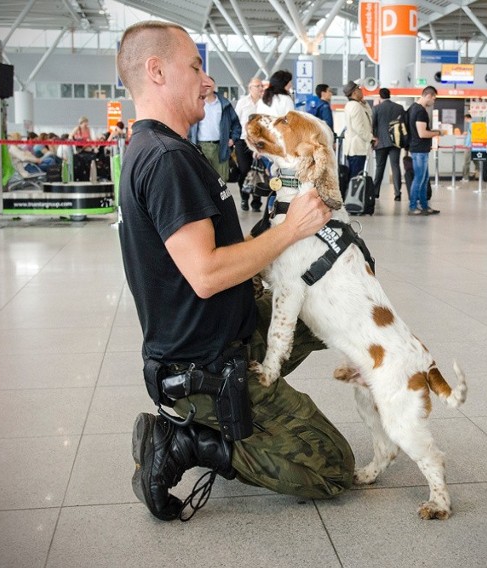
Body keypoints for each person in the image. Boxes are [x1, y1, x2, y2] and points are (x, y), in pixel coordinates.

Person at [115, 21, 354, 522]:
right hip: (203, 366)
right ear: (156, 71)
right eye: (196, 67)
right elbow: (204, 273)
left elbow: (213, 256)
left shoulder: (165, 151)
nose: (208, 82)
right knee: (333, 469)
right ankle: (187, 442)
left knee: (328, 301)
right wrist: (288, 231)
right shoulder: (165, 160)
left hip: (226, 326)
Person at [188, 76, 241, 184]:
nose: (206, 87)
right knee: (201, 179)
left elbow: (236, 124)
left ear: (214, 86)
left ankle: (219, 201)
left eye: (209, 84)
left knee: (220, 180)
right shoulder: (195, 104)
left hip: (220, 147)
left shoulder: (224, 104)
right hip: (200, 147)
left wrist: (233, 139)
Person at [406, 86, 441, 216]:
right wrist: (438, 133)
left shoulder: (412, 108)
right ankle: (413, 206)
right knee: (419, 178)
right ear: (428, 96)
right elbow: (422, 133)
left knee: (424, 178)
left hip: (417, 148)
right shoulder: (420, 111)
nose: (433, 102)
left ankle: (424, 206)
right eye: (434, 98)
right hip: (419, 149)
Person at [234, 76, 265, 211]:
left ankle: (256, 202)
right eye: (257, 86)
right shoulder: (242, 102)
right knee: (244, 170)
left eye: (261, 86)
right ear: (250, 88)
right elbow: (235, 121)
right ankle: (244, 198)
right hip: (243, 141)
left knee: (257, 170)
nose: (260, 89)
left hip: (259, 142)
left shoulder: (265, 103)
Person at [371, 87, 405, 200]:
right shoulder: (399, 108)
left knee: (379, 167)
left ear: (380, 97)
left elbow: (372, 125)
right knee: (395, 166)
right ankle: (398, 193)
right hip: (396, 141)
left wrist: (374, 138)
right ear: (390, 95)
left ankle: (375, 192)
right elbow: (403, 125)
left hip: (380, 142)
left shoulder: (376, 108)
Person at [342, 80, 373, 181]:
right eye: (359, 89)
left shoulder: (354, 105)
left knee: (355, 176)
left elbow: (370, 115)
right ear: (355, 92)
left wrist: (364, 103)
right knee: (356, 178)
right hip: (357, 149)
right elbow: (359, 128)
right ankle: (353, 196)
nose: (361, 91)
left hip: (355, 149)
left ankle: (353, 196)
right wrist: (371, 138)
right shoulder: (355, 106)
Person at [460, 113, 475, 181]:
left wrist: (467, 144)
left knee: (466, 162)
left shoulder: (471, 124)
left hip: (469, 146)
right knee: (475, 161)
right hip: (471, 145)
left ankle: (465, 177)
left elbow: (472, 136)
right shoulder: (472, 124)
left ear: (466, 118)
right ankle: (480, 175)